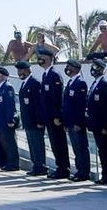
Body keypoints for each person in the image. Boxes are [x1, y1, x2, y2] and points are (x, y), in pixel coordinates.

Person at [36, 43, 69, 179]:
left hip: (55, 117)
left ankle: (63, 168)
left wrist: (57, 115)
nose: (40, 59)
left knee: (59, 143)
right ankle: (59, 167)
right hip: (48, 117)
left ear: (49, 59)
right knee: (54, 144)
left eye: (42, 57)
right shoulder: (46, 75)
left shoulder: (54, 75)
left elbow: (57, 97)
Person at [87, 55, 107, 184]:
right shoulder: (94, 85)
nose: (94, 69)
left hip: (103, 126)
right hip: (95, 124)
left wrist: (106, 126)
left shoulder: (106, 86)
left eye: (96, 67)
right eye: (93, 67)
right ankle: (105, 176)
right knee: (101, 151)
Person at [16, 59, 46, 175]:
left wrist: (39, 120)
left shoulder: (35, 83)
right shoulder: (24, 84)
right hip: (28, 120)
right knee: (32, 145)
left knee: (37, 144)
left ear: (28, 70)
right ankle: (36, 166)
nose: (19, 73)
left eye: (21, 70)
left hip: (35, 121)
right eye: (18, 71)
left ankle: (40, 167)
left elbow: (39, 104)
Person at [62, 58, 91, 179]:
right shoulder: (70, 83)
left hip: (77, 123)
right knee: (76, 149)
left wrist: (78, 122)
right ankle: (79, 170)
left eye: (69, 66)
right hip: (70, 122)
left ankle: (84, 172)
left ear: (74, 68)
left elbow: (81, 105)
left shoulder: (80, 83)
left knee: (81, 148)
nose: (67, 69)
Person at [0, 66, 20, 170]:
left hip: (6, 121)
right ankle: (8, 162)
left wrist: (10, 120)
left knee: (10, 143)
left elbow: (10, 105)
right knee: (5, 143)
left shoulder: (8, 87)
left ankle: (14, 164)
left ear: (2, 75)